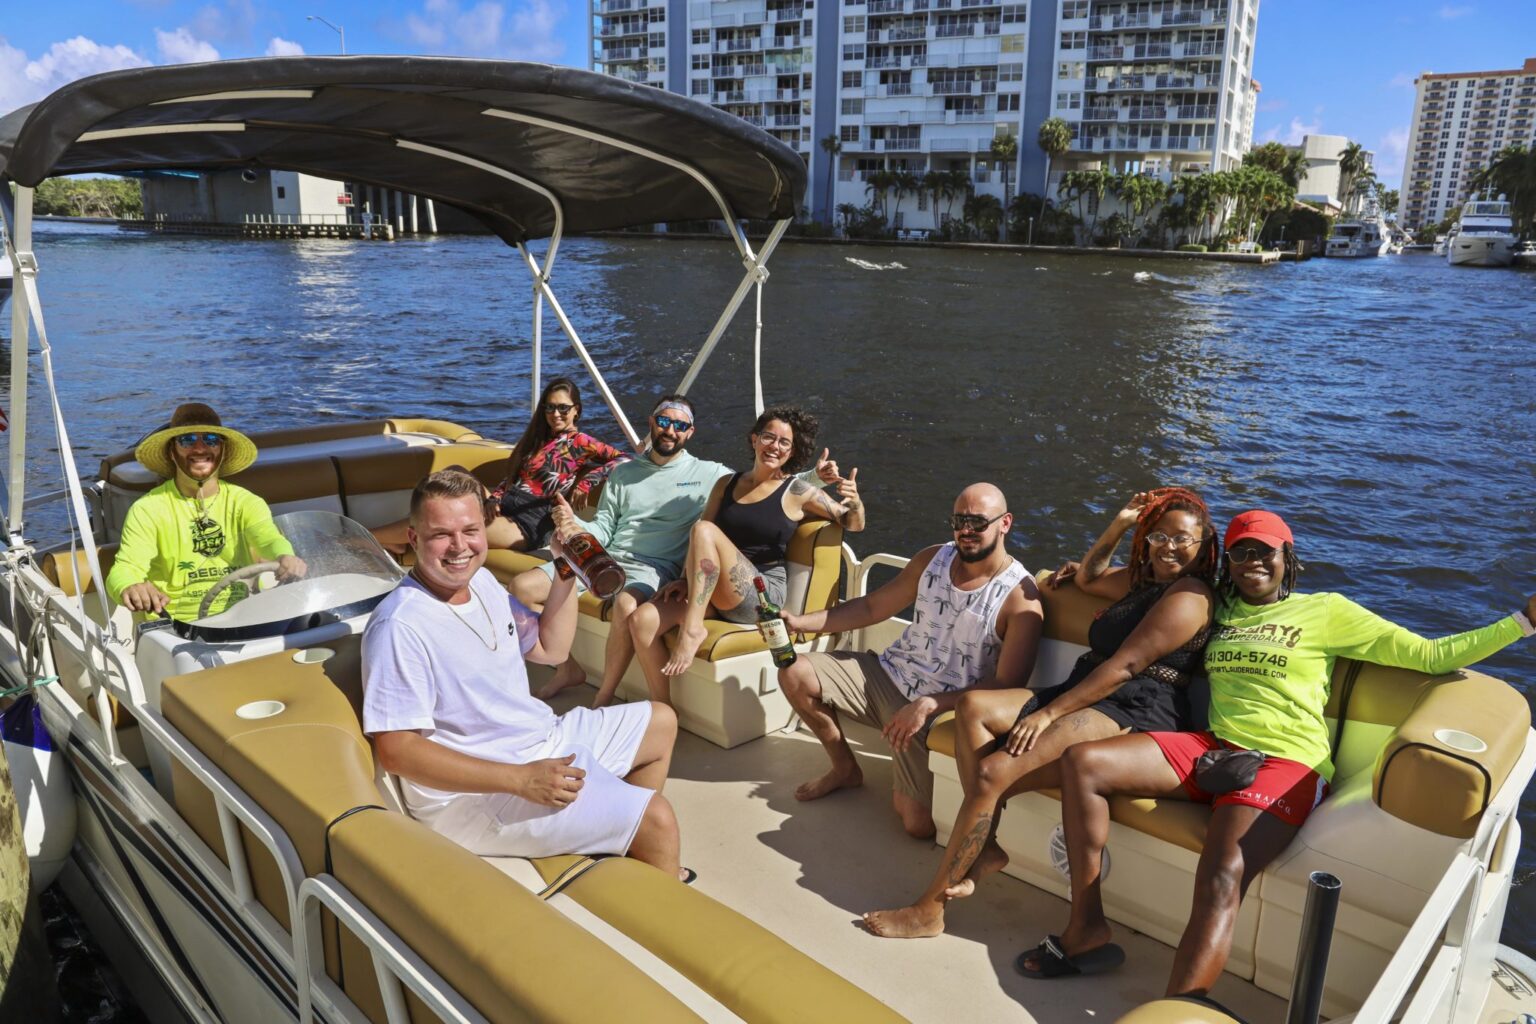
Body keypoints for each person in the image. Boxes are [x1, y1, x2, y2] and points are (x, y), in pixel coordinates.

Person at [1018, 509, 1536, 987]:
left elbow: (1429, 655)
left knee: (1223, 872)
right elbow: (1129, 586)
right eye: (1241, 552)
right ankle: (1086, 924)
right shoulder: (1216, 608)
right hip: (1214, 748)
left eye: (1266, 551)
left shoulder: (1326, 612)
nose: (1253, 562)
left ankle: (1181, 1004)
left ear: (1288, 558)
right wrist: (1077, 572)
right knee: (1084, 763)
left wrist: (1525, 621)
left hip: (1285, 763)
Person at [863, 487, 1217, 938]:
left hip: (1136, 704)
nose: (1169, 548)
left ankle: (929, 910)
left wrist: (1047, 716)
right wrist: (1120, 524)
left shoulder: (1189, 596)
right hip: (1086, 687)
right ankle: (985, 845)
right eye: (1159, 537)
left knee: (992, 775)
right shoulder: (1145, 579)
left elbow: (1124, 667)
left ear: (1204, 544)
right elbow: (1089, 578)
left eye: (1182, 539)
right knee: (974, 706)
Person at [361, 469, 689, 879]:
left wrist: (565, 570)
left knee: (660, 721)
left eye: (470, 530)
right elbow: (397, 750)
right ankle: (652, 884)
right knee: (657, 818)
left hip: (534, 741)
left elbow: (552, 648)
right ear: (414, 540)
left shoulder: (482, 582)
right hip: (471, 797)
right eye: (441, 534)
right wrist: (519, 780)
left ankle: (619, 843)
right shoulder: (400, 625)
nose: (459, 547)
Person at [517, 394, 840, 708]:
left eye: (679, 425)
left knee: (627, 603)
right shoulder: (624, 472)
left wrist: (817, 479)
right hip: (609, 557)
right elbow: (603, 526)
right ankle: (567, 667)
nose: (670, 430)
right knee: (521, 588)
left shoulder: (710, 473)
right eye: (663, 421)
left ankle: (606, 694)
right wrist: (574, 527)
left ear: (690, 433)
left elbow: (769, 479)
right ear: (652, 423)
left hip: (655, 568)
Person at [776, 483, 1041, 838]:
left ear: (1004, 523)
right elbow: (872, 606)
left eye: (978, 522)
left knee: (917, 825)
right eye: (958, 520)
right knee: (794, 672)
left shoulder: (1020, 600)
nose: (966, 531)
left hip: (940, 711)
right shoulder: (933, 558)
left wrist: (929, 705)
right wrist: (800, 623)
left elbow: (1007, 687)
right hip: (888, 675)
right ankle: (844, 768)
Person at [628, 405, 865, 699]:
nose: (774, 446)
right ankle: (662, 707)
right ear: (754, 439)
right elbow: (700, 546)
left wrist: (854, 501)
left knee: (704, 531)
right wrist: (685, 580)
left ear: (792, 452)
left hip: (761, 596)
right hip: (715, 589)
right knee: (642, 620)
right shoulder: (725, 484)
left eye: (784, 442)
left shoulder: (797, 491)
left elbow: (852, 523)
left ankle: (692, 630)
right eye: (768, 437)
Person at [371, 377, 628, 556]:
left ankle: (369, 537)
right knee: (454, 473)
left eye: (563, 408)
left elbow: (623, 458)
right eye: (550, 407)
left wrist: (586, 481)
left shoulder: (582, 442)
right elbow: (514, 477)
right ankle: (393, 541)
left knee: (449, 523)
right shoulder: (539, 440)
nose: (556, 414)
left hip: (529, 524)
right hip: (506, 505)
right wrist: (493, 497)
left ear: (576, 411)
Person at [105, 402, 306, 621]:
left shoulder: (246, 502)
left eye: (211, 440)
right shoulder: (148, 508)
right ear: (172, 452)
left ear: (222, 450)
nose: (200, 449)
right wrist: (129, 586)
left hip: (244, 616)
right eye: (187, 440)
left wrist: (286, 555)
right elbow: (126, 566)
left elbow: (268, 539)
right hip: (176, 626)